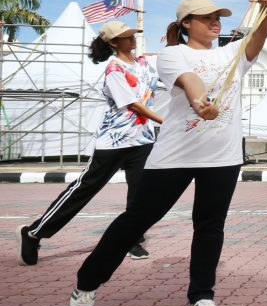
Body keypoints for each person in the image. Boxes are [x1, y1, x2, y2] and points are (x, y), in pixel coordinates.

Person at [67, 0, 267, 306]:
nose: (215, 21)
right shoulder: (172, 54)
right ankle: (87, 282)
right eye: (206, 17)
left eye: (217, 16)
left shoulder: (233, 53)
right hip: (175, 155)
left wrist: (265, 9)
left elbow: (258, 37)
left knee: (209, 226)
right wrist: (199, 102)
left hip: (223, 156)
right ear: (186, 24)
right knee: (136, 220)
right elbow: (189, 80)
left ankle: (202, 294)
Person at [16, 21, 162, 266]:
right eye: (125, 37)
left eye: (131, 35)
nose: (131, 39)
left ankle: (132, 239)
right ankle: (34, 233)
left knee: (141, 195)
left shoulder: (144, 63)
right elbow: (134, 104)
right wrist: (164, 121)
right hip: (114, 142)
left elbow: (170, 60)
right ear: (113, 43)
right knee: (84, 190)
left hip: (143, 139)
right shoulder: (114, 70)